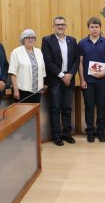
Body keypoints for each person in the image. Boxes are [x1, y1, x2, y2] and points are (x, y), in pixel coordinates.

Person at [42, 16, 79, 146]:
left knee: (67, 108)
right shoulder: (47, 40)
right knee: (55, 108)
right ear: (53, 26)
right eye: (57, 24)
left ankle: (67, 134)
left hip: (69, 79)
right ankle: (56, 135)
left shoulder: (72, 40)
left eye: (62, 24)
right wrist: (62, 75)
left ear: (66, 26)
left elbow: (76, 60)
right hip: (56, 80)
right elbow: (47, 61)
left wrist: (70, 75)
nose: (60, 26)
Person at [78, 17, 105, 143]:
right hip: (88, 81)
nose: (94, 29)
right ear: (89, 28)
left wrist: (103, 72)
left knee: (101, 107)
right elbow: (80, 63)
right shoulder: (82, 43)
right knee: (89, 107)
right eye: (92, 27)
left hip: (103, 80)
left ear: (100, 28)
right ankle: (90, 132)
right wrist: (82, 79)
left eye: (96, 27)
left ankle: (101, 132)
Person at [9, 29, 46, 103]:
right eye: (27, 37)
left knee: (34, 113)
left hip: (36, 91)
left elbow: (42, 71)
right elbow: (12, 73)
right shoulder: (16, 52)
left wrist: (41, 87)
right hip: (21, 91)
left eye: (32, 37)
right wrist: (15, 90)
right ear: (23, 40)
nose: (30, 39)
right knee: (22, 113)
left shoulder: (38, 52)